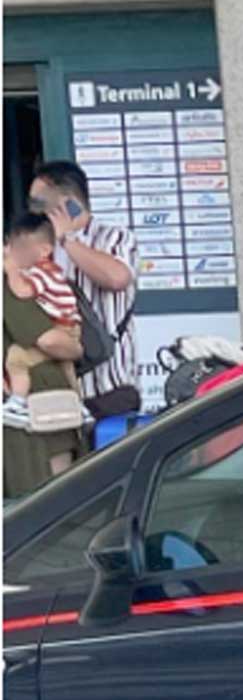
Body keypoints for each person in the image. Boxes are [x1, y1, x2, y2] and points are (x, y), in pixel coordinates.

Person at [28, 161, 137, 415]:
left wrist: (67, 239)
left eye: (38, 203)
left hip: (110, 388)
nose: (34, 211)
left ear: (65, 201)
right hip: (57, 390)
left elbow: (117, 278)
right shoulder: (39, 245)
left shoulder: (114, 237)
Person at [4, 213, 85, 495]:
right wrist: (75, 348)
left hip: (35, 415)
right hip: (37, 419)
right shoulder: (11, 288)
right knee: (52, 505)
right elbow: (51, 341)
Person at [4, 212, 81, 395]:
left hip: (43, 405)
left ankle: (17, 403)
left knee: (17, 359)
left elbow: (50, 340)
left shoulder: (36, 274)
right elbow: (52, 342)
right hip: (41, 404)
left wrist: (11, 271)